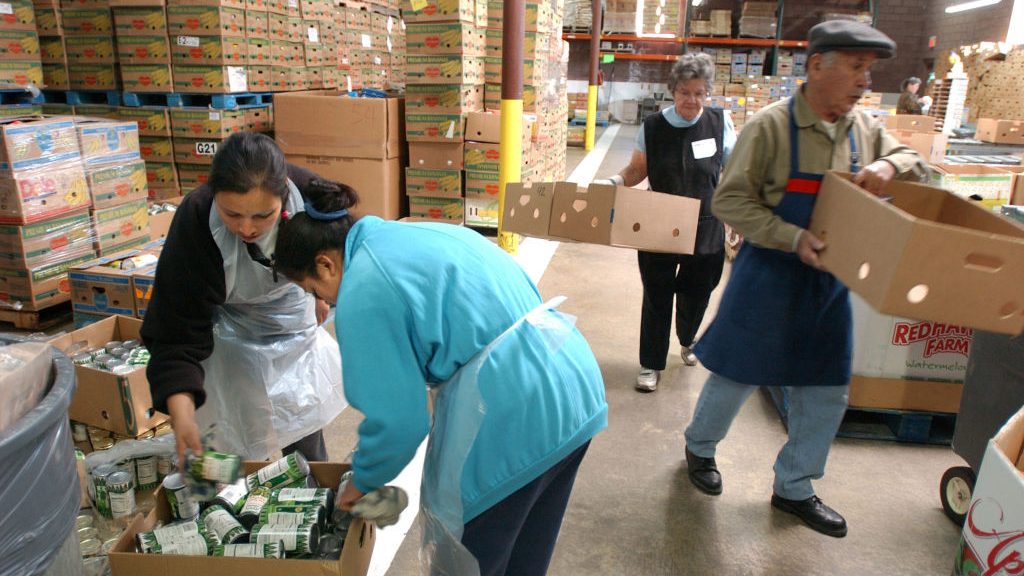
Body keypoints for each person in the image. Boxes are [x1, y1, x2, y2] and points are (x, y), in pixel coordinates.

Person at [273, 179, 608, 575]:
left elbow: (399, 423)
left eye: (317, 291)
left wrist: (361, 482)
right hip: (571, 385)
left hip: (513, 418)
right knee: (525, 553)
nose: (325, 304)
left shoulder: (362, 288)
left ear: (326, 263)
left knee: (468, 560)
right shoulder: (412, 232)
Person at [682, 20, 928, 538]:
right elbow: (727, 200)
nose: (865, 80)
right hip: (769, 274)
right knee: (736, 374)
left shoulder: (863, 130)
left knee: (827, 387)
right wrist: (790, 237)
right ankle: (700, 449)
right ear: (817, 66)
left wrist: (889, 164)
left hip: (828, 282)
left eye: (869, 70)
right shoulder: (770, 128)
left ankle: (794, 486)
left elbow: (916, 163)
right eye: (856, 67)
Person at [141, 132, 347, 465]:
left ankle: (314, 489)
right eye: (232, 214)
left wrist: (317, 293)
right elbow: (175, 328)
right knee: (233, 427)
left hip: (290, 311)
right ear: (214, 195)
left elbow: (330, 265)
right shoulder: (196, 219)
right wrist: (181, 414)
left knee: (301, 418)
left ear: (282, 199)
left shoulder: (311, 199)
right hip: (233, 328)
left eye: (263, 216)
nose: (247, 229)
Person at [602, 52, 736, 393]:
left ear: (708, 92)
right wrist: (613, 184)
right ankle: (650, 363)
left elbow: (735, 173)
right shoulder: (654, 127)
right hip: (658, 224)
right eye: (684, 92)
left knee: (698, 292)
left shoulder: (720, 123)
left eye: (699, 92)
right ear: (672, 92)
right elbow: (637, 170)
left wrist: (739, 215)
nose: (692, 100)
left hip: (706, 226)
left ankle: (688, 339)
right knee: (657, 294)